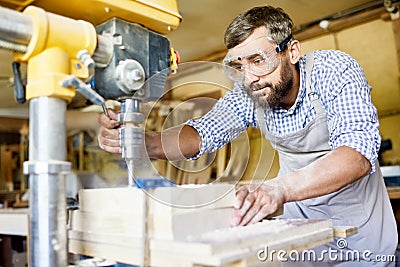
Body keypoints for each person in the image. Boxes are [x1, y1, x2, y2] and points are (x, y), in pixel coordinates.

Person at [98, 5, 397, 266]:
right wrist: (144, 142)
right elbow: (201, 134)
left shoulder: (334, 71)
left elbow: (356, 155)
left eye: (258, 60)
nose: (249, 77)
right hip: (300, 232)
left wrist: (277, 189)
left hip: (361, 234)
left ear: (291, 52)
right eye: (238, 66)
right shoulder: (250, 92)